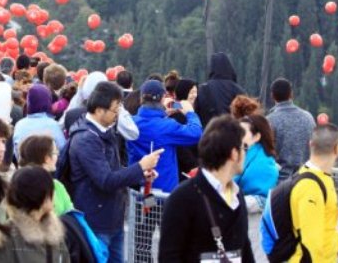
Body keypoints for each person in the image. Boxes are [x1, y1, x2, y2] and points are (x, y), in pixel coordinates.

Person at [66, 81, 161, 263]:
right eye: (115, 110)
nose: (118, 115)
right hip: (96, 221)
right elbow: (106, 180)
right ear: (100, 110)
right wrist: (140, 167)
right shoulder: (86, 139)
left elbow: (115, 172)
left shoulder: (105, 132)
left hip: (112, 218)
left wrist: (141, 175)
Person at [159, 115, 254, 262]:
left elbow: (245, 251)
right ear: (234, 154)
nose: (246, 153)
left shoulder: (236, 194)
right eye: (245, 147)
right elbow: (169, 257)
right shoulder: (182, 199)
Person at [128, 79, 203, 192]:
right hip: (163, 191)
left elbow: (151, 125)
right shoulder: (167, 126)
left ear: (141, 98)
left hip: (137, 190)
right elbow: (196, 133)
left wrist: (163, 114)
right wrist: (190, 113)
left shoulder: (130, 123)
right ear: (163, 98)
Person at [0, 166, 70, 262]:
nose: (54, 194)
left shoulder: (54, 230)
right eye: (52, 189)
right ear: (42, 195)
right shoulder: (7, 237)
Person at [286, 124, 338, 262]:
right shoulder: (311, 185)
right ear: (337, 148)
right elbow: (310, 242)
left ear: (310, 144)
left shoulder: (320, 178)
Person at [236, 114, 279, 263]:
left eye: (242, 133)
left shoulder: (263, 163)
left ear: (256, 137)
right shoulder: (248, 155)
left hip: (254, 224)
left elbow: (261, 197)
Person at [266, 77, 316, 179]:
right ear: (291, 94)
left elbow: (267, 154)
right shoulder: (308, 117)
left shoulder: (270, 121)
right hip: (306, 180)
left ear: (272, 96)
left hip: (280, 182)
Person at [18, 135, 73, 215]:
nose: (57, 156)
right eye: (55, 152)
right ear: (46, 158)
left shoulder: (57, 185)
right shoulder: (56, 186)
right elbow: (73, 215)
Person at [13, 84, 66, 159]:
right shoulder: (53, 125)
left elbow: (15, 152)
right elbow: (63, 150)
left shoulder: (19, 124)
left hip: (24, 167)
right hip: (48, 167)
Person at [195, 52, 246, 126]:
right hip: (233, 133)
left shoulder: (202, 89)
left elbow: (197, 112)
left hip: (209, 132)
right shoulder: (238, 89)